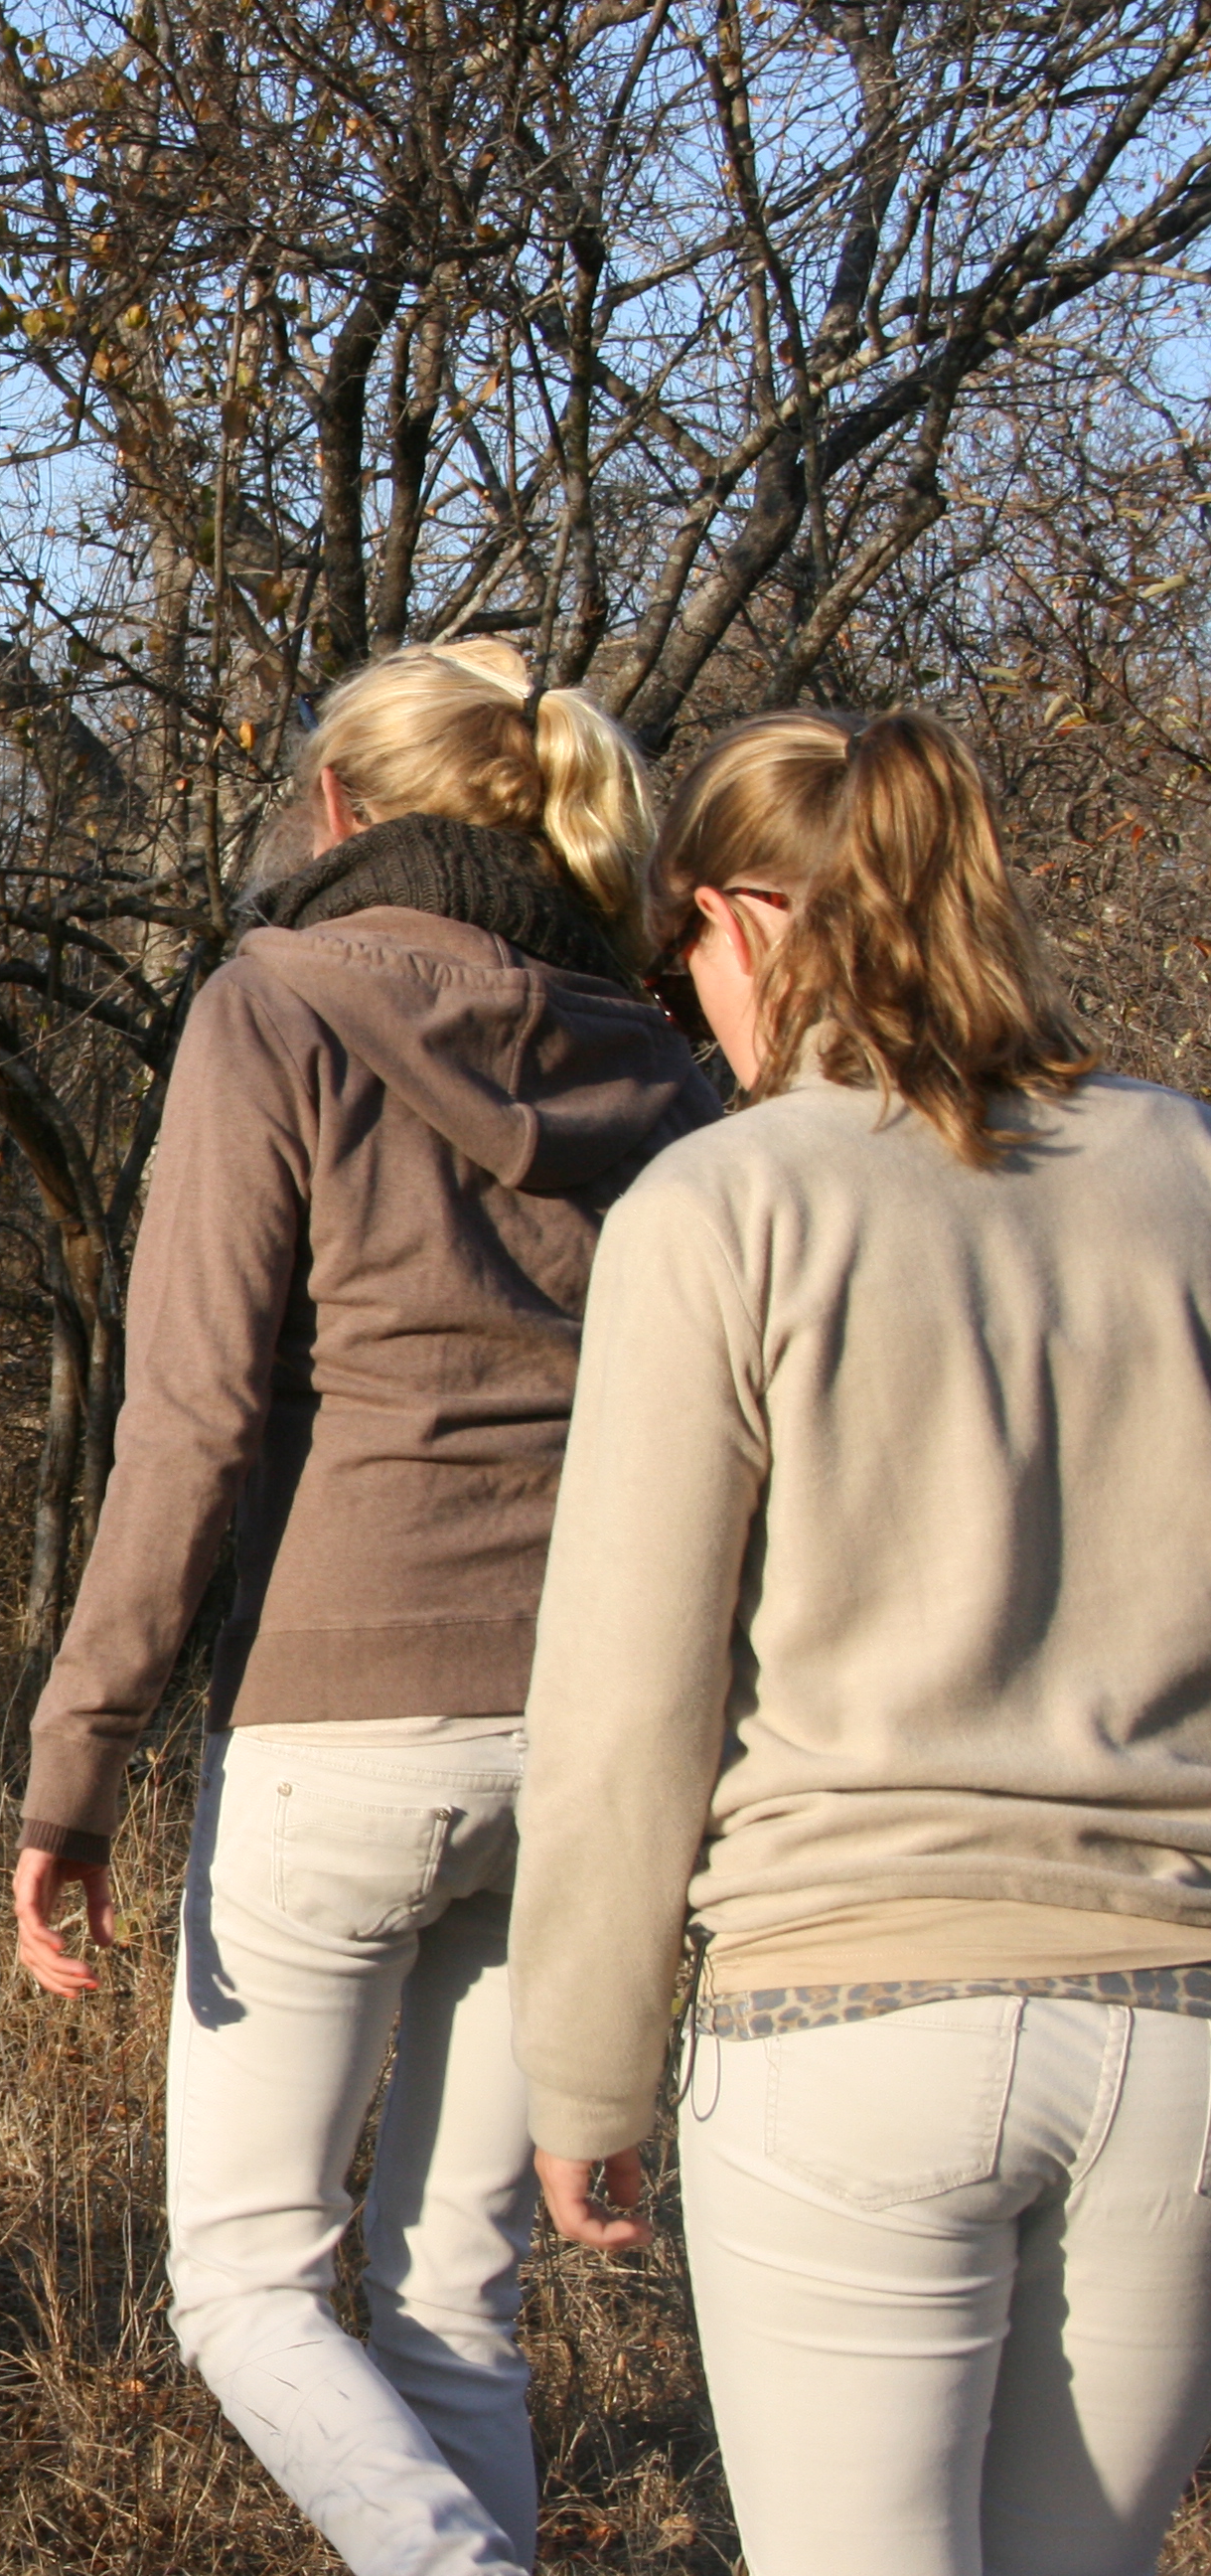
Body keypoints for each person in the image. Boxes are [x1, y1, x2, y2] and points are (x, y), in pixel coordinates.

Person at [10, 639, 715, 2574]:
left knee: (243, 2285)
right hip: (594, 1732)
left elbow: (195, 1423)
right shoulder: (659, 1054)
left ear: (339, 806)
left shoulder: (274, 1008)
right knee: (453, 2298)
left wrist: (74, 1766)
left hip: (338, 1718)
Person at [514, 710, 1211, 2576]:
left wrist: (581, 2063)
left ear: (756, 918)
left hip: (844, 2010)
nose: (690, 1007)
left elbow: (622, 1694)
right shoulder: (1192, 1177)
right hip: (1180, 2017)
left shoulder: (728, 1204)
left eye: (684, 959)